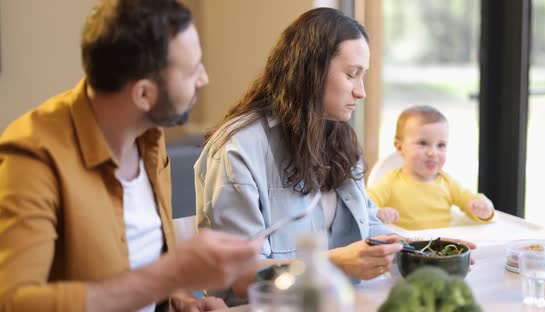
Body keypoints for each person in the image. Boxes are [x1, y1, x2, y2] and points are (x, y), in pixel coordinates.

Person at [0, 1, 261, 311]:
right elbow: (14, 302)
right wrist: (169, 275)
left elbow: (146, 266)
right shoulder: (34, 155)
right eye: (192, 70)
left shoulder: (149, 136)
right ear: (143, 94)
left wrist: (180, 300)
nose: (203, 79)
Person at [194, 7, 403, 303]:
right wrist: (334, 263)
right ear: (311, 70)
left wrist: (417, 251)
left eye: (363, 76)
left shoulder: (338, 135)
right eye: (351, 75)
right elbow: (235, 277)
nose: (361, 92)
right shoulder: (238, 148)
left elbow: (368, 223)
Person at [367, 105, 495, 230]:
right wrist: (379, 213)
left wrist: (482, 209)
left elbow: (469, 199)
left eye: (441, 145)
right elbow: (366, 205)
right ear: (399, 147)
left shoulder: (448, 183)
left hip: (441, 248)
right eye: (423, 143)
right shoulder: (390, 181)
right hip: (406, 246)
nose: (432, 153)